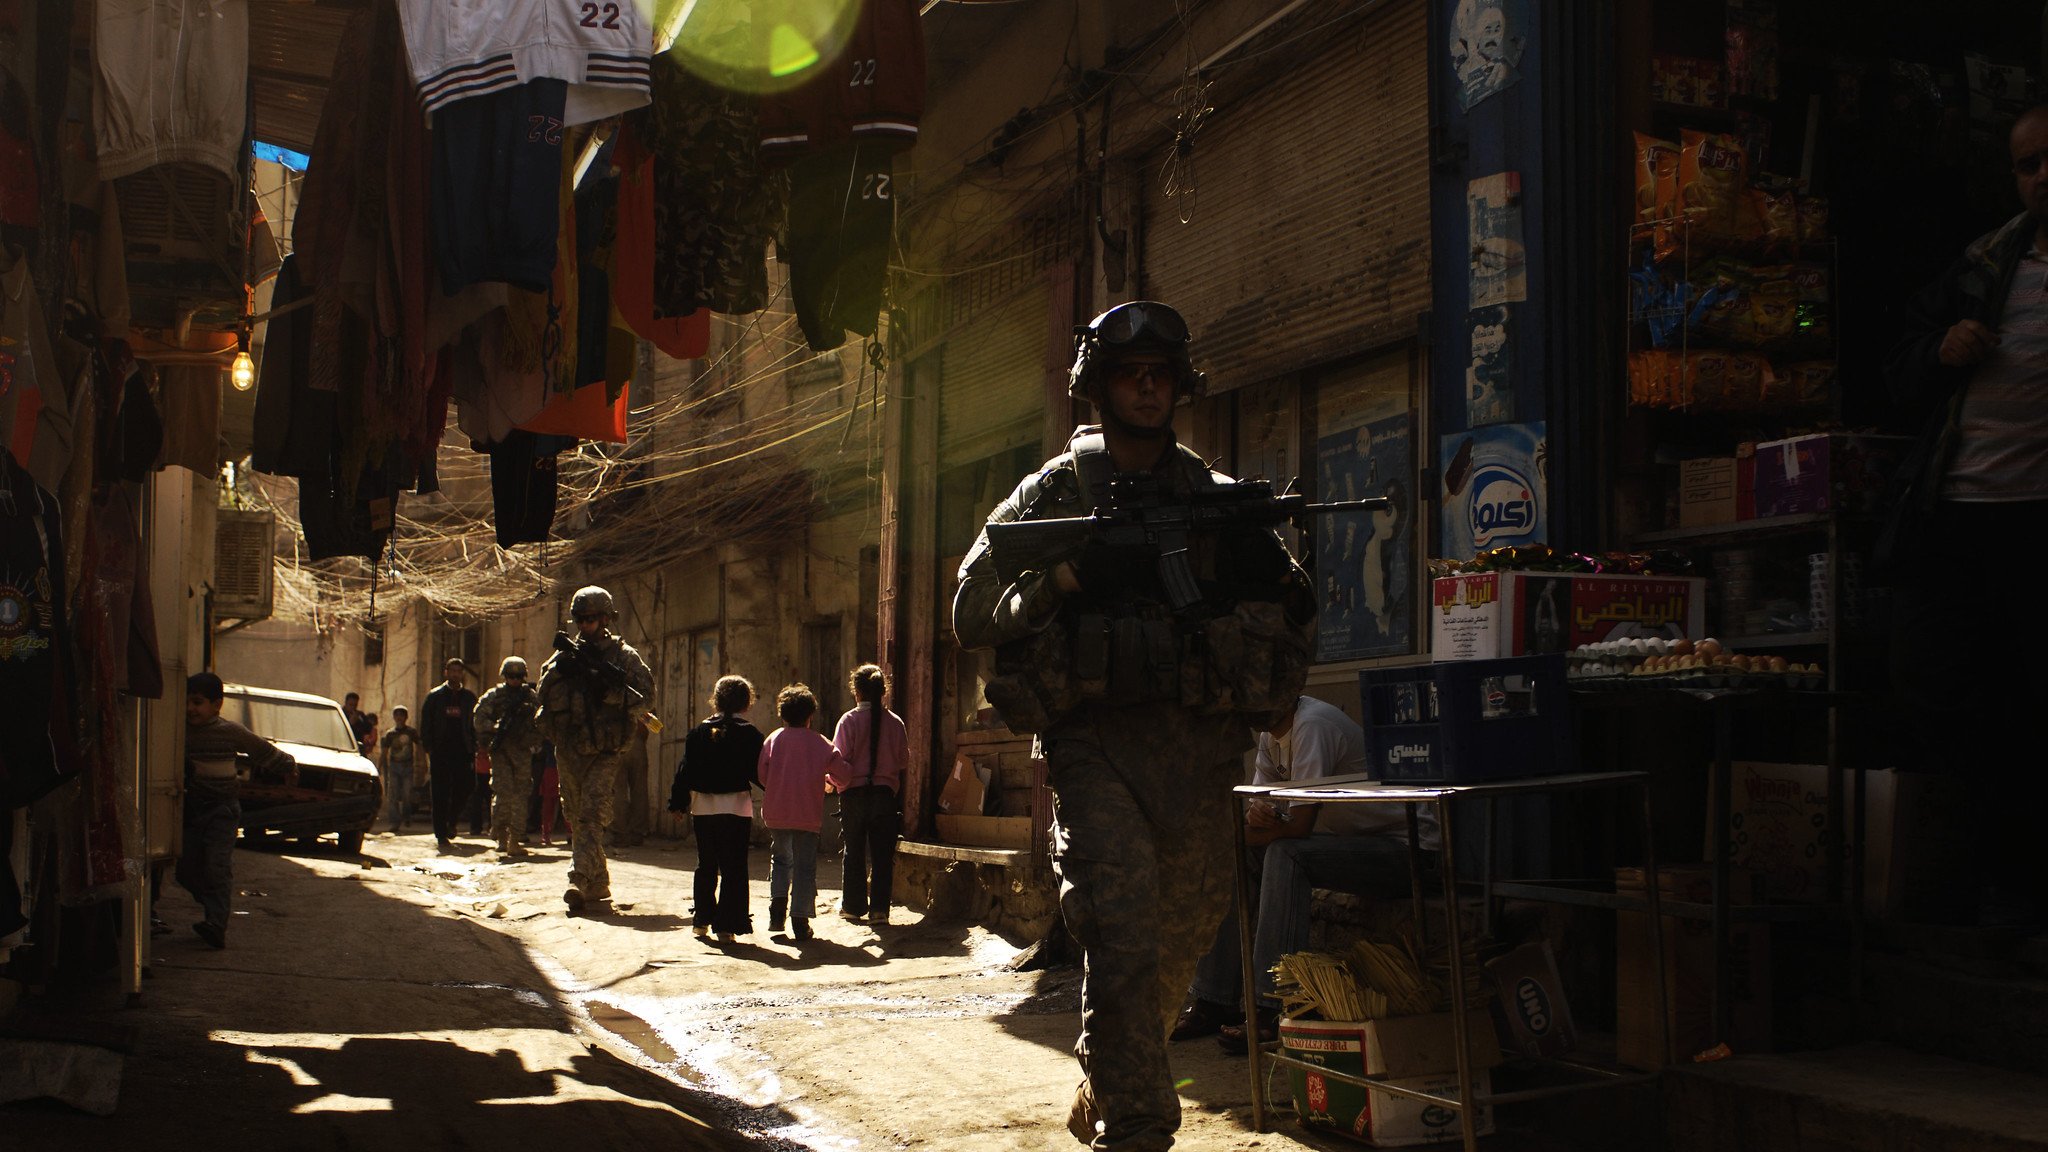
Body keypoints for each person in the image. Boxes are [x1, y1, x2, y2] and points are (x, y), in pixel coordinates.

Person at [953, 300, 1314, 1151]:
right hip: (1094, 745)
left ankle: (1114, 1070)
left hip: (1200, 747)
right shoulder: (1056, 491)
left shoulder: (1216, 498)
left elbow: (1294, 607)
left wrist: (1257, 585)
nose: (1148, 390)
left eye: (1160, 376)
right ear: (1098, 385)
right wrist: (1067, 579)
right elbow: (973, 611)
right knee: (1118, 931)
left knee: (1183, 938)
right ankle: (1139, 1126)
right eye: (1130, 375)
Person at [1882, 104, 2048, 929]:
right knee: (1937, 690)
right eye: (2028, 163)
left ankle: (2015, 890)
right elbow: (1900, 367)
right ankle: (1994, 883)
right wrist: (1939, 350)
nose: (2043, 174)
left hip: (2036, 525)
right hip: (1955, 517)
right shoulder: (1987, 263)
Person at [1170, 695, 1436, 1055]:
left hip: (1407, 850)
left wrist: (1253, 828)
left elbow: (1298, 826)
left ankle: (1271, 1007)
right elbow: (1251, 823)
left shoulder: (1312, 725)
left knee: (1286, 854)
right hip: (1352, 844)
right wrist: (1241, 830)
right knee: (1239, 855)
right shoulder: (1270, 736)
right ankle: (1213, 1000)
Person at [536, 585, 655, 915]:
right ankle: (599, 882)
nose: (586, 625)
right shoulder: (565, 656)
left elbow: (646, 699)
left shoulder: (623, 657)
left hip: (606, 750)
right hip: (570, 748)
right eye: (581, 619)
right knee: (574, 815)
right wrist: (561, 673)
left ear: (606, 618)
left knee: (590, 815)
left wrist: (612, 693)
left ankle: (578, 880)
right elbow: (542, 696)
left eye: (592, 619)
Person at [178, 672, 293, 949]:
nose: (191, 708)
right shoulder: (179, 732)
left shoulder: (229, 732)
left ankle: (216, 924)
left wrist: (288, 765)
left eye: (198, 702)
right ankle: (213, 905)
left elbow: (262, 750)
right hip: (191, 811)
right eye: (187, 702)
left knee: (216, 867)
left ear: (217, 705)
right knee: (185, 870)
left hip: (222, 811)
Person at [666, 675, 765, 941]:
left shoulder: (698, 732)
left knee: (706, 864)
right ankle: (726, 926)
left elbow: (685, 771)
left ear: (716, 700)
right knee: (733, 866)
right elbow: (760, 772)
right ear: (746, 702)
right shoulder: (750, 734)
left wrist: (677, 803)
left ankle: (701, 920)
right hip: (736, 808)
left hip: (703, 809)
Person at [757, 683, 847, 941]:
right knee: (805, 866)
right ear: (810, 715)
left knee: (781, 860)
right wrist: (830, 781)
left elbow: (763, 775)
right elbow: (843, 773)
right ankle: (800, 919)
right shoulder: (821, 743)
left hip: (776, 812)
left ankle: (777, 911)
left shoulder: (773, 739)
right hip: (807, 815)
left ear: (782, 715)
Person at [829, 664, 906, 926]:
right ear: (883, 691)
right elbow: (903, 760)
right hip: (884, 795)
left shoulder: (848, 721)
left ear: (856, 692)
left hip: (853, 795)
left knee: (854, 850)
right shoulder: (895, 722)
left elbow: (839, 761)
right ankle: (879, 911)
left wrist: (834, 782)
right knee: (882, 854)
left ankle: (852, 906)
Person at [474, 655, 543, 856]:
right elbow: (479, 719)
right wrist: (495, 728)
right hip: (502, 751)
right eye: (511, 676)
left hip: (522, 750)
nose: (514, 680)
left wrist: (533, 738)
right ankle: (501, 837)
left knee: (522, 794)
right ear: (504, 676)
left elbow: (543, 721)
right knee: (503, 794)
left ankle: (516, 839)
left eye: (518, 676)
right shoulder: (494, 696)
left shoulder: (530, 697)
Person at [420, 658, 478, 853]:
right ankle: (441, 834)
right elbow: (426, 725)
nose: (455, 674)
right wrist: (429, 748)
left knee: (466, 786)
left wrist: (475, 746)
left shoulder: (469, 698)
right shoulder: (435, 697)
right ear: (446, 672)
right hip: (440, 752)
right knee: (439, 793)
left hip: (463, 751)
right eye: (451, 671)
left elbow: (474, 725)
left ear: (462, 673)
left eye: (458, 671)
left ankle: (452, 820)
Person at [378, 706, 420, 832]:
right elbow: (384, 752)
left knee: (407, 794)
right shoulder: (390, 734)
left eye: (402, 715)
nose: (399, 718)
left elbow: (420, 746)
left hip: (408, 766)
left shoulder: (411, 732)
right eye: (397, 715)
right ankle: (394, 822)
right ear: (394, 718)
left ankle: (407, 816)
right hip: (394, 767)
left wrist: (422, 763)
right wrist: (379, 767)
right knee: (393, 795)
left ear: (406, 717)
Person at [342, 691, 374, 757]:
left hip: (358, 747)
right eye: (350, 705)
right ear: (346, 703)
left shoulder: (360, 715)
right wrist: (350, 724)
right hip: (344, 747)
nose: (353, 707)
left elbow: (368, 728)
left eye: (355, 705)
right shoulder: (340, 714)